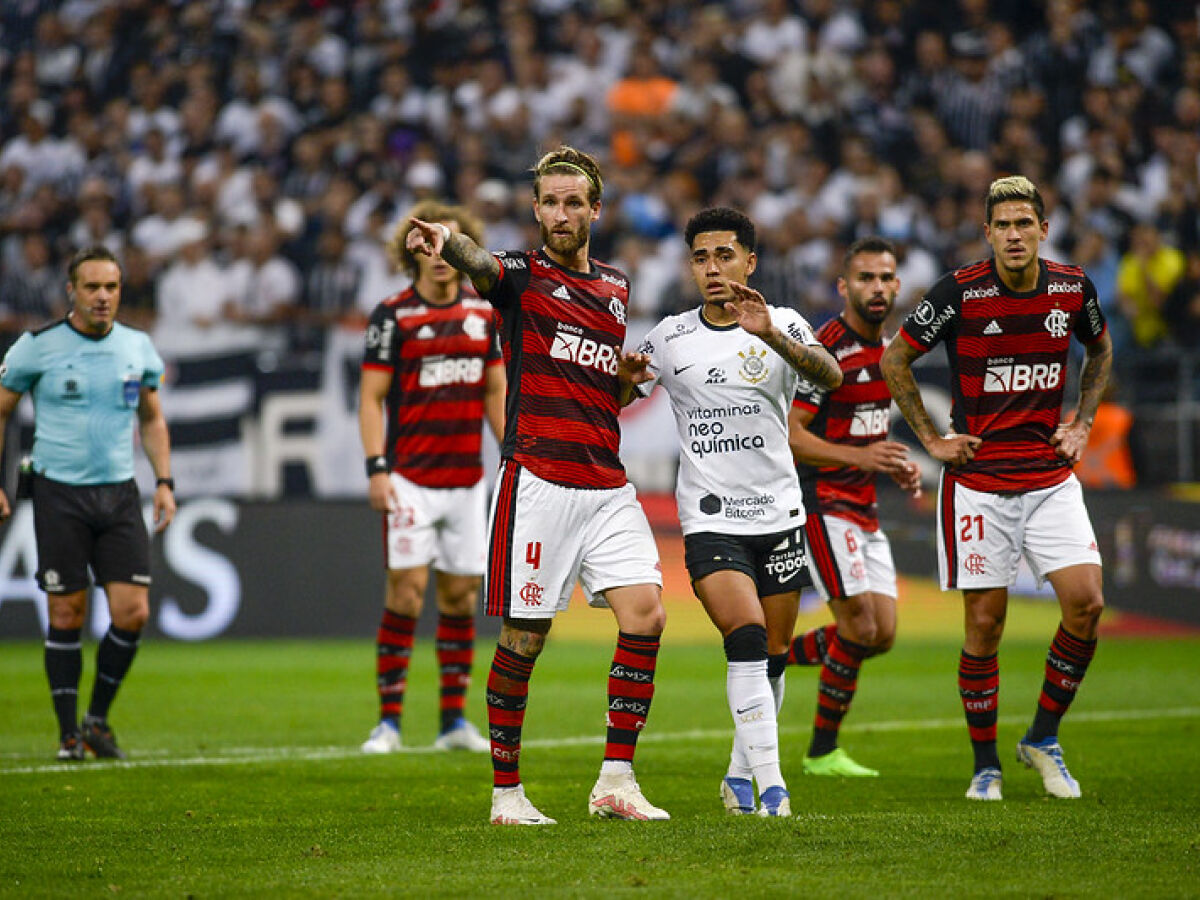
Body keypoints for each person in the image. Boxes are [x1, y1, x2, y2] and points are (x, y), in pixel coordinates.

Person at [406, 146, 668, 825]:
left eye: (572, 202)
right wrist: (446, 241)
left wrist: (625, 377)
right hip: (540, 480)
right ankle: (506, 794)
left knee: (648, 615)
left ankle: (615, 780)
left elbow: (598, 382)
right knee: (525, 639)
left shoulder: (615, 286)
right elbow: (481, 262)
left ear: (594, 210)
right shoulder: (519, 277)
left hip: (606, 482)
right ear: (535, 209)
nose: (559, 213)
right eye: (548, 202)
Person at [880, 176, 1112, 801]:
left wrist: (1083, 421)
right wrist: (931, 440)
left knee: (1086, 604)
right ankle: (986, 763)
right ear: (988, 233)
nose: (1014, 234)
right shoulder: (958, 292)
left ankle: (1043, 736)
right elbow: (894, 360)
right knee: (985, 626)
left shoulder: (1072, 288)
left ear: (1043, 228)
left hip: (1048, 476)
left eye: (1024, 223)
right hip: (979, 483)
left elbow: (1101, 348)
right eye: (1002, 225)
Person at [628, 207, 843, 816]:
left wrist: (770, 333)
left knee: (773, 655)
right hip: (711, 516)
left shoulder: (785, 323)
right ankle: (773, 787)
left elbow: (831, 375)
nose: (712, 267)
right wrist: (620, 381)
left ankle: (736, 775)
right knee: (745, 637)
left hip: (780, 514)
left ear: (750, 262)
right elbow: (621, 393)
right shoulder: (670, 337)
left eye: (725, 255)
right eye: (701, 257)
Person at [0, 245, 176, 761]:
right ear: (71, 291)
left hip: (119, 492)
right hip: (59, 494)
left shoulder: (138, 347)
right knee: (68, 611)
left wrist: (164, 479)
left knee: (133, 612)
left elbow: (152, 418)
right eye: (93, 287)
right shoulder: (37, 348)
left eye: (112, 287)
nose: (103, 297)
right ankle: (67, 734)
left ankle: (96, 720)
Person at [358, 199, 504, 755]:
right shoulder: (393, 315)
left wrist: (509, 451)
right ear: (411, 250)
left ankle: (451, 722)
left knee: (461, 598)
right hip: (411, 478)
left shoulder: (484, 314)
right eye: (428, 243)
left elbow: (495, 389)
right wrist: (378, 468)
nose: (440, 254)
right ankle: (388, 722)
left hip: (467, 480)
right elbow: (370, 399)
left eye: (451, 243)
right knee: (407, 591)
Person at [786, 236, 921, 778]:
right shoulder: (827, 351)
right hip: (824, 501)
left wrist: (894, 464)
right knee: (859, 628)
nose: (878, 287)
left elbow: (868, 436)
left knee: (881, 635)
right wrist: (862, 457)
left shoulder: (890, 352)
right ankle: (821, 750)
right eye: (865, 278)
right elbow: (791, 436)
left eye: (886, 278)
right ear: (844, 286)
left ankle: (772, 652)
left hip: (863, 506)